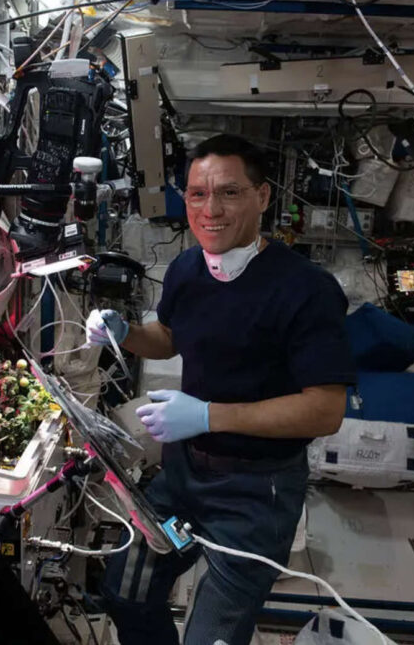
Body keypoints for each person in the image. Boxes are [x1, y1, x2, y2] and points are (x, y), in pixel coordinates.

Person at [85, 134, 356, 645]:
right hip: (182, 480)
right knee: (127, 590)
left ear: (263, 197)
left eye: (229, 193)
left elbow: (325, 410)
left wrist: (209, 415)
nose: (210, 210)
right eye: (196, 194)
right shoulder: (188, 268)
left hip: (256, 495)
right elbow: (167, 339)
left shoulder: (306, 290)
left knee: (212, 635)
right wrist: (124, 331)